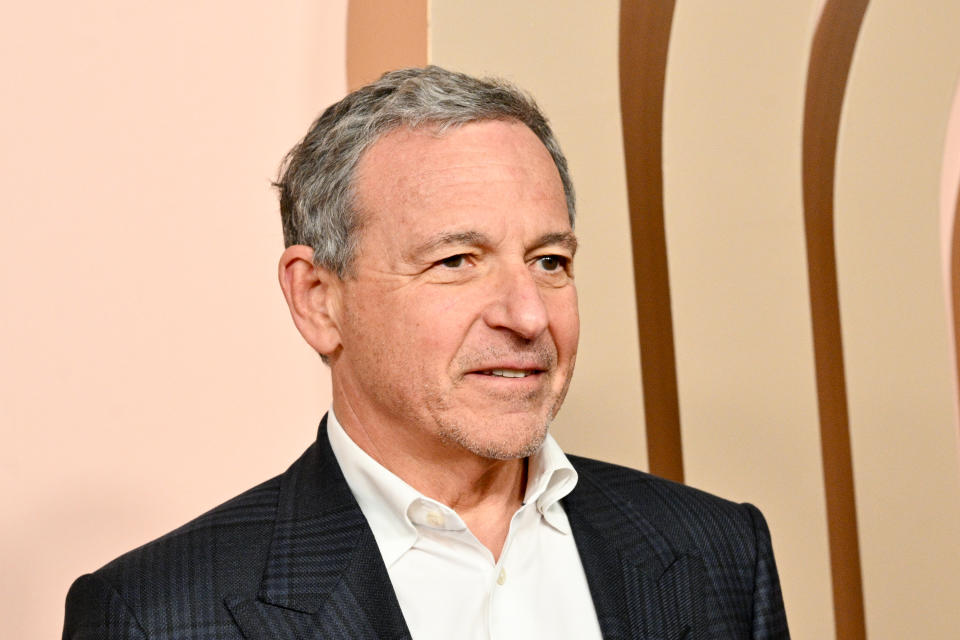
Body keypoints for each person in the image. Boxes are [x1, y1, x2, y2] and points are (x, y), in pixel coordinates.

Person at [63, 66, 789, 639]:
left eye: (549, 261)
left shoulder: (720, 553)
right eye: (457, 261)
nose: (528, 315)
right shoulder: (154, 616)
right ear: (318, 298)